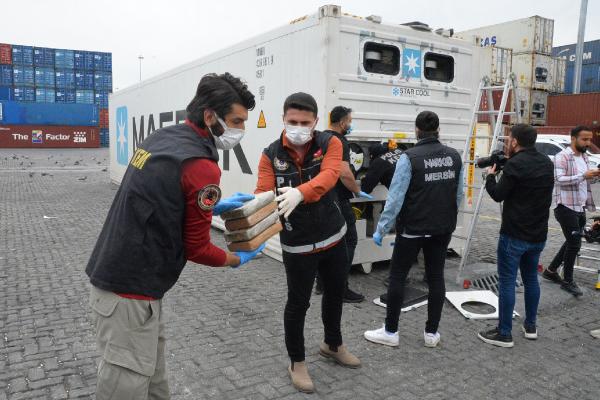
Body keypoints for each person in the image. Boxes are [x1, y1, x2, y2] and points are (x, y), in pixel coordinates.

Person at [86, 73, 265, 399]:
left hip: (126, 282)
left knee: (155, 384)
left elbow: (162, 200)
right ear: (210, 116)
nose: (241, 130)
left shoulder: (161, 139)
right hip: (129, 295)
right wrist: (236, 258)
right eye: (236, 121)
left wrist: (211, 206)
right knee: (125, 387)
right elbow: (197, 248)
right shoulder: (201, 165)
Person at [255, 93, 361, 393]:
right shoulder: (270, 154)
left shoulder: (331, 143)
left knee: (335, 293)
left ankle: (332, 344)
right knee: (298, 303)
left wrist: (301, 192)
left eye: (304, 122)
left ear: (315, 121)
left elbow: (330, 175)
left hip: (333, 236)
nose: (298, 127)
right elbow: (263, 191)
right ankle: (297, 362)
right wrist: (255, 209)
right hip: (298, 244)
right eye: (292, 122)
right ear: (284, 120)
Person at [364, 111, 463, 348]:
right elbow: (457, 195)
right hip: (442, 228)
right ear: (438, 130)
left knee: (398, 275)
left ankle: (390, 332)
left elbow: (395, 199)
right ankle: (431, 334)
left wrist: (381, 229)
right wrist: (447, 217)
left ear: (416, 130)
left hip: (412, 228)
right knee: (436, 277)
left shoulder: (409, 158)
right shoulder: (454, 156)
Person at [477, 124, 555, 348]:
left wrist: (490, 176)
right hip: (538, 234)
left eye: (509, 139)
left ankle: (504, 334)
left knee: (507, 281)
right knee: (531, 279)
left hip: (514, 234)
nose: (507, 142)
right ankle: (531, 326)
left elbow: (498, 195)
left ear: (515, 142)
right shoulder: (546, 163)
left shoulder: (515, 165)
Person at [315, 105, 372, 303]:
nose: (350, 124)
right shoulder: (339, 140)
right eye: (349, 121)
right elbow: (344, 172)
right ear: (341, 122)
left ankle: (322, 283)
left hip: (322, 198)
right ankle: (340, 287)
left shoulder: (320, 137)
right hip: (338, 198)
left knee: (327, 242)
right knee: (349, 240)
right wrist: (357, 190)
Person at [542, 126, 599, 297]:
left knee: (570, 240)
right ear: (573, 138)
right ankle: (568, 281)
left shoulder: (585, 157)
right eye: (584, 139)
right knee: (574, 243)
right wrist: (584, 176)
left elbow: (586, 181)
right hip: (565, 206)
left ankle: (551, 270)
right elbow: (559, 179)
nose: (588, 143)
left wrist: (595, 176)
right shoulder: (562, 156)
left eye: (590, 139)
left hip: (580, 206)